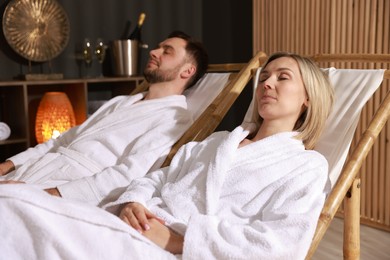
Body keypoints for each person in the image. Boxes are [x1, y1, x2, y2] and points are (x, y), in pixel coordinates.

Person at [0, 52, 334, 259]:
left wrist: (179, 241)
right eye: (264, 77)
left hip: (174, 248)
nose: (266, 83)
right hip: (135, 224)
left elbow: (280, 247)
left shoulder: (307, 166)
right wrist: (132, 202)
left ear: (308, 98)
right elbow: (157, 177)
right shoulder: (219, 141)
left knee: (11, 206)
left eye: (282, 77)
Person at [0, 30, 209, 206]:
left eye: (167, 51)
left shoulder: (174, 119)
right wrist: (8, 165)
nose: (154, 52)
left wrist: (48, 194)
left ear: (187, 70)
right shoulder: (121, 101)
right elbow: (62, 140)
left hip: (70, 185)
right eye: (158, 47)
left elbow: (127, 174)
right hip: (39, 167)